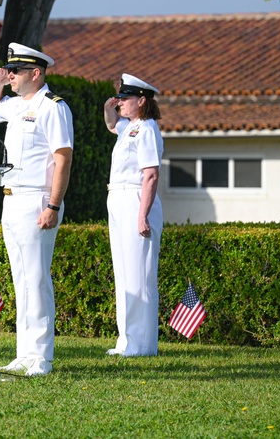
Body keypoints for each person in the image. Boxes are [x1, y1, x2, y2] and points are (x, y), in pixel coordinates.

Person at [0, 43, 74, 377]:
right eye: (9, 71)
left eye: (16, 72)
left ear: (35, 74)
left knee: (36, 279)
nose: (11, 77)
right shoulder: (17, 105)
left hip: (38, 199)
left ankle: (41, 357)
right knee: (20, 279)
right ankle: (25, 352)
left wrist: (53, 204)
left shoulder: (53, 107)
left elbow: (63, 158)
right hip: (12, 198)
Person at [103, 73, 164, 357]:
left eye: (124, 99)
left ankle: (143, 345)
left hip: (136, 199)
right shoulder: (130, 127)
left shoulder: (148, 128)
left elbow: (151, 175)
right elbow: (112, 125)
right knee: (124, 274)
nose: (120, 104)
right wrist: (108, 107)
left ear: (141, 101)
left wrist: (143, 216)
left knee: (140, 276)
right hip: (118, 197)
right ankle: (127, 341)